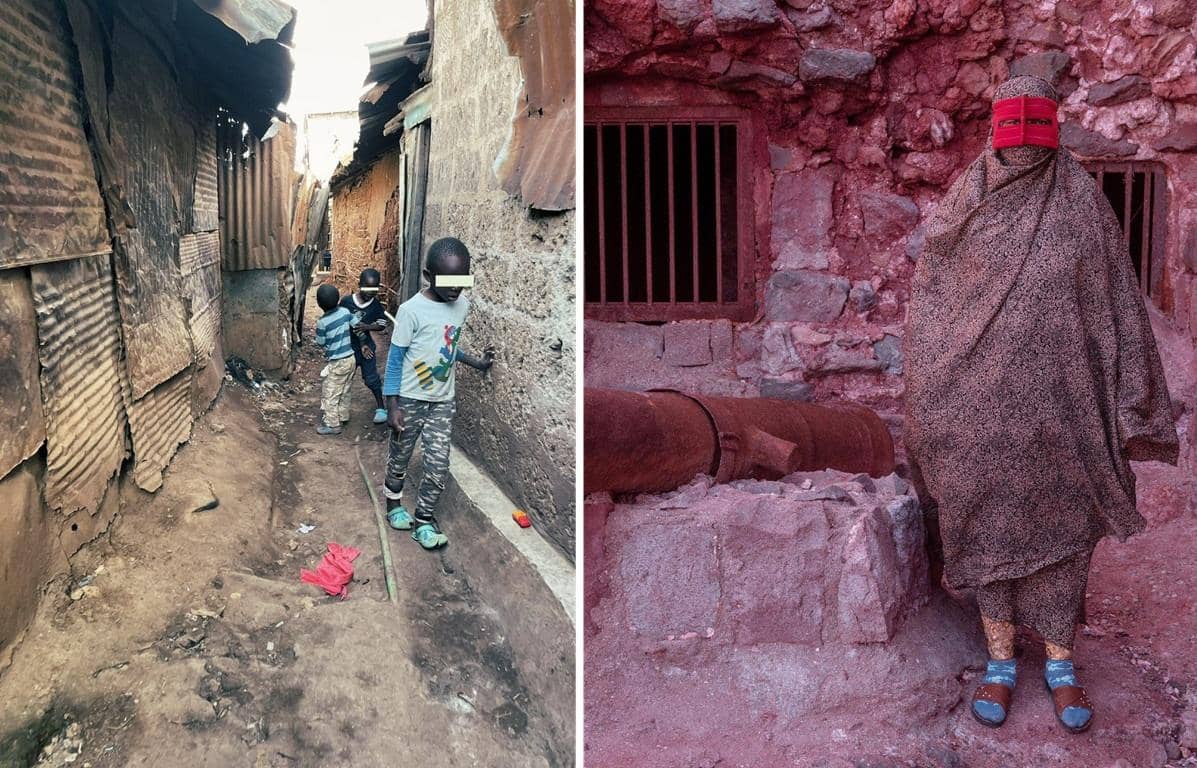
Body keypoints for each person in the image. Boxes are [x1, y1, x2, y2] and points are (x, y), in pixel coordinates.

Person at [905, 75, 1178, 734]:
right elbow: (936, 305)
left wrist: (1131, 401)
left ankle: (1059, 661)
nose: (1023, 142)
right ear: (995, 128)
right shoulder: (963, 206)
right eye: (1012, 127)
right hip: (981, 407)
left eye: (1036, 127)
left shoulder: (1081, 204)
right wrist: (932, 391)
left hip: (1066, 409)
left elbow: (1117, 302)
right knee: (988, 519)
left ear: (1053, 129)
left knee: (1063, 527)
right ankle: (999, 660)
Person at [380, 237, 495, 550]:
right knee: (400, 456)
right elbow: (394, 360)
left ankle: (424, 521)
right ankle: (393, 504)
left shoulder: (461, 307)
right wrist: (392, 406)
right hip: (409, 399)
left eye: (462, 281)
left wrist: (477, 362)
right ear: (428, 275)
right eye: (449, 281)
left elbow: (448, 348)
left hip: (442, 402)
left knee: (438, 464)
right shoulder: (410, 311)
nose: (456, 289)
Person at [340, 268, 389, 424]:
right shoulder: (346, 302)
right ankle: (338, 411)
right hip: (349, 348)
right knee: (344, 379)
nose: (370, 292)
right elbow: (341, 321)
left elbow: (382, 324)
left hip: (367, 348)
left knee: (371, 379)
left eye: (374, 289)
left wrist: (367, 327)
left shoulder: (375, 305)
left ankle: (381, 408)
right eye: (367, 288)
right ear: (359, 284)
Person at [313, 283, 357, 436]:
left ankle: (332, 425)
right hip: (351, 358)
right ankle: (343, 416)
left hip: (337, 362)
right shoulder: (345, 312)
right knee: (345, 389)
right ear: (338, 299)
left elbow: (320, 342)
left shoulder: (322, 322)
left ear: (319, 303)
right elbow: (357, 325)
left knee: (330, 393)